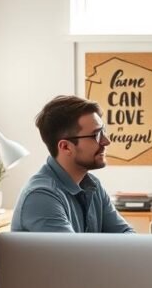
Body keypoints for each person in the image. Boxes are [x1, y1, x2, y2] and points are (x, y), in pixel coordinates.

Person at [12, 95, 133, 234]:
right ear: (65, 147)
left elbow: (128, 236)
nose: (106, 141)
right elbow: (71, 249)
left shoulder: (93, 185)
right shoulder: (40, 197)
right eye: (96, 135)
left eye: (103, 131)